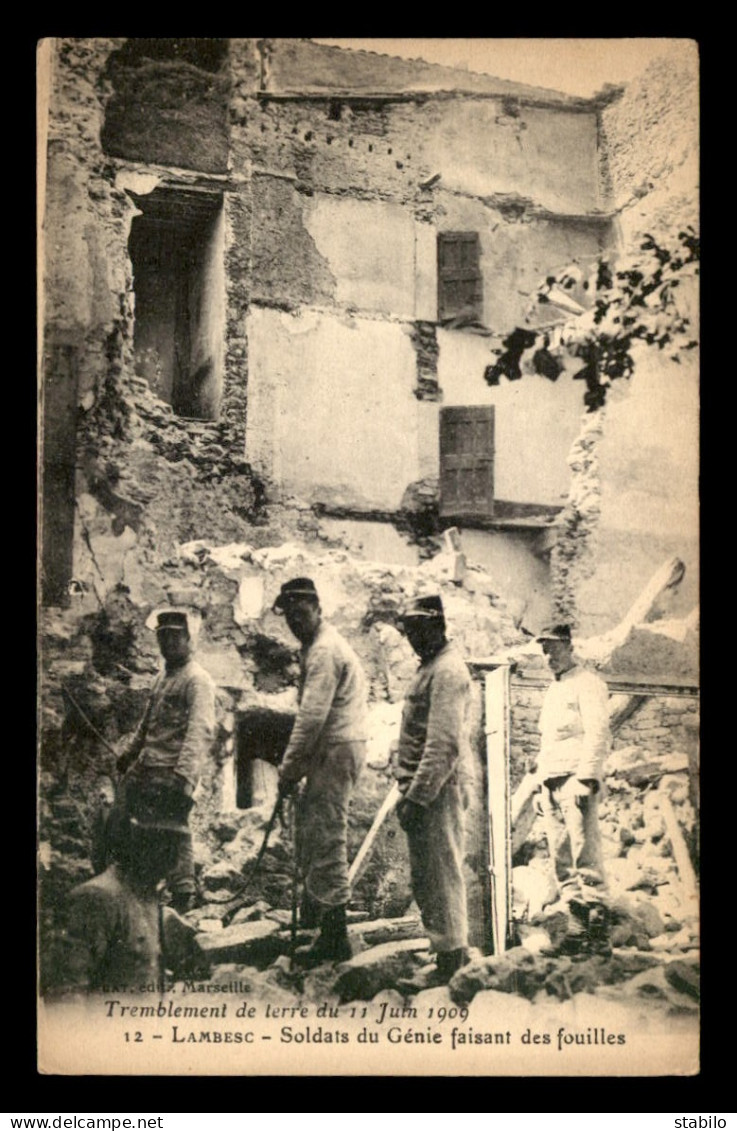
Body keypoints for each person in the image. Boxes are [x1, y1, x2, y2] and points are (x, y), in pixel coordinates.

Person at [274, 577, 368, 965]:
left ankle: (335, 936)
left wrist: (288, 769)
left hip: (336, 747)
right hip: (334, 748)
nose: (295, 622)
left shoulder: (325, 650)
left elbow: (311, 718)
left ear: (317, 608)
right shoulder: (316, 646)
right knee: (316, 831)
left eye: (301, 613)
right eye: (290, 617)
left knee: (328, 835)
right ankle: (320, 919)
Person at [116, 605, 216, 914]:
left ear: (189, 640)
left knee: (174, 830)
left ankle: (183, 895)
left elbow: (200, 731)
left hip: (171, 773)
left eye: (175, 637)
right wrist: (128, 755)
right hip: (146, 768)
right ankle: (141, 892)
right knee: (133, 826)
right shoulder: (162, 678)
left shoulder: (197, 680)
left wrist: (183, 778)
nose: (169, 643)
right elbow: (146, 726)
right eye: (163, 637)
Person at [394, 594, 473, 983]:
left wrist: (417, 797)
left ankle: (452, 965)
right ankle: (445, 956)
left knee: (442, 876)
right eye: (408, 631)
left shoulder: (448, 671)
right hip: (421, 788)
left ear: (436, 626)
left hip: (436, 789)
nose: (411, 638)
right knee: (428, 877)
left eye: (417, 630)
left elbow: (443, 744)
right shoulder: (430, 668)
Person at [60, 807, 208, 993]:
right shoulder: (96, 898)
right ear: (140, 844)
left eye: (175, 847)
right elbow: (65, 1001)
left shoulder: (149, 900)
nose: (173, 860)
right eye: (164, 845)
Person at [535, 623, 611, 944]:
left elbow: (598, 733)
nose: (548, 656)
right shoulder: (553, 689)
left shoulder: (588, 684)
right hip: (552, 781)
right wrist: (542, 786)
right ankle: (577, 934)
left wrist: (586, 777)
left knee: (585, 856)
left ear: (569, 647)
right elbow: (547, 742)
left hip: (575, 780)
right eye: (544, 650)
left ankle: (598, 940)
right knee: (561, 857)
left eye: (553, 648)